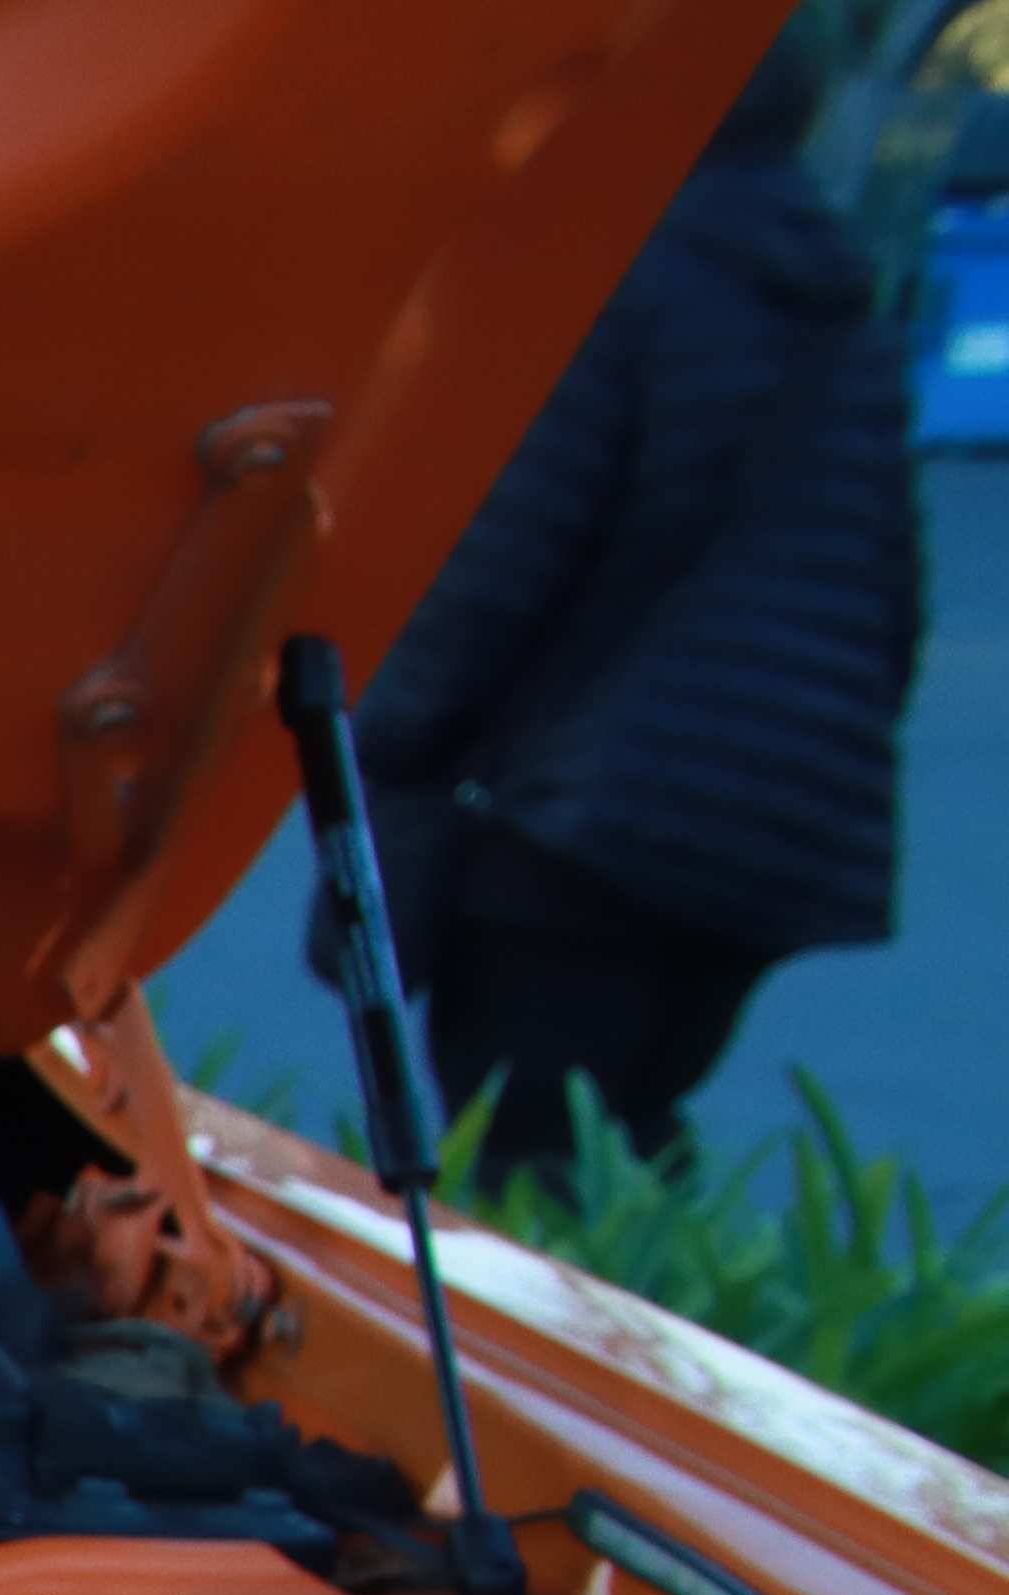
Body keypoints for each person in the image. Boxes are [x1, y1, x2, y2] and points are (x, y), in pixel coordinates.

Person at [339, 22, 928, 1168]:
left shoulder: (615, 281)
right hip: (773, 827)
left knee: (514, 1160)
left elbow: (497, 565)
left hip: (589, 821)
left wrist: (378, 736)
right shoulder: (839, 303)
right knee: (621, 1139)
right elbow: (890, 594)